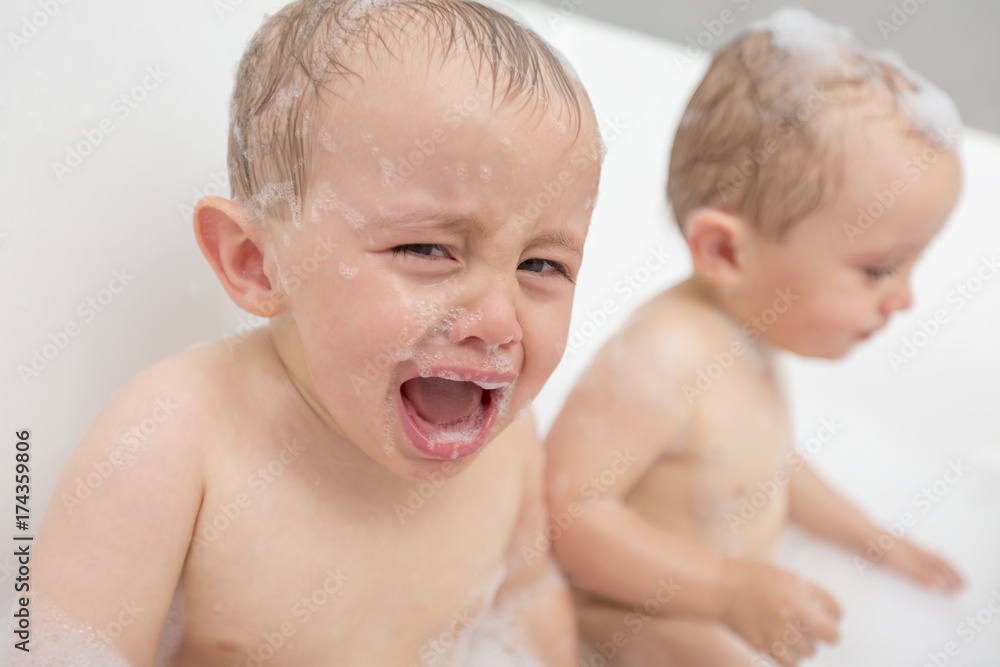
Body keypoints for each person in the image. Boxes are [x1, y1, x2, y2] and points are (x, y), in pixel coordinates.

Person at [13, 1, 603, 665]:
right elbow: (55, 647)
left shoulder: (511, 445)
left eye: (541, 265)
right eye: (426, 249)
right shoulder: (172, 439)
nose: (498, 321)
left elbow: (529, 606)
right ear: (255, 262)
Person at [545, 9, 964, 666]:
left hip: (727, 600)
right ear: (726, 252)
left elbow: (769, 464)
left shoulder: (748, 328)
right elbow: (565, 514)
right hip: (622, 609)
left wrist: (868, 537)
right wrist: (724, 589)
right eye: (879, 269)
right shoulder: (663, 356)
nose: (905, 298)